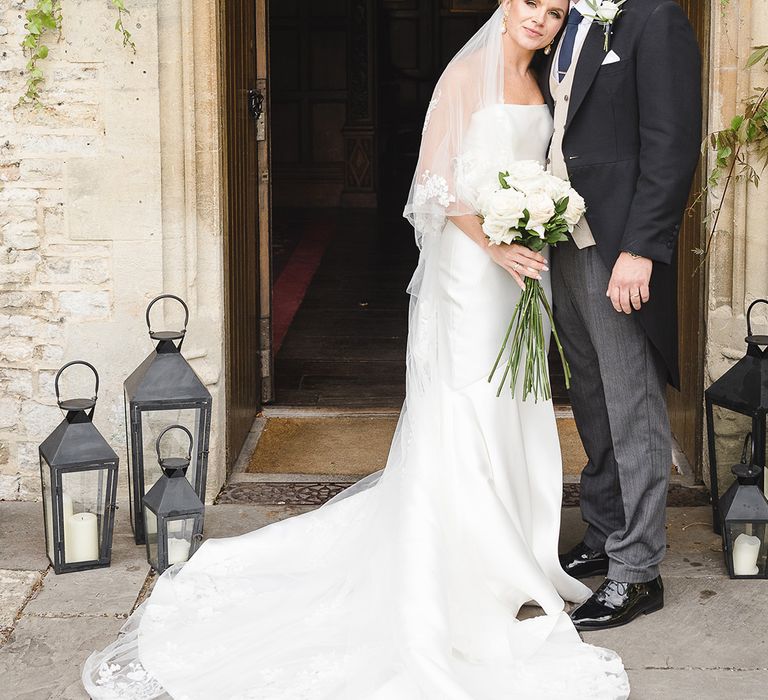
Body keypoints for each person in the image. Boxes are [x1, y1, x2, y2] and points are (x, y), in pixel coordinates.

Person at [82, 2, 630, 697]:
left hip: (521, 271)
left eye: (554, 13)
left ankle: (515, 550)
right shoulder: (466, 76)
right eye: (531, 4)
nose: (541, 20)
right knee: (466, 401)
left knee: (514, 401)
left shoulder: (550, 79)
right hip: (471, 271)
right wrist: (494, 238)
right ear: (507, 4)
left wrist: (539, 220)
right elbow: (433, 185)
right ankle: (461, 560)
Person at [542, 0, 702, 631]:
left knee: (631, 400)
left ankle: (638, 571)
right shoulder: (564, 20)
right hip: (562, 239)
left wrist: (640, 250)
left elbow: (670, 143)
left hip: (617, 247)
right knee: (590, 395)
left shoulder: (654, 17)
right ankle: (605, 531)